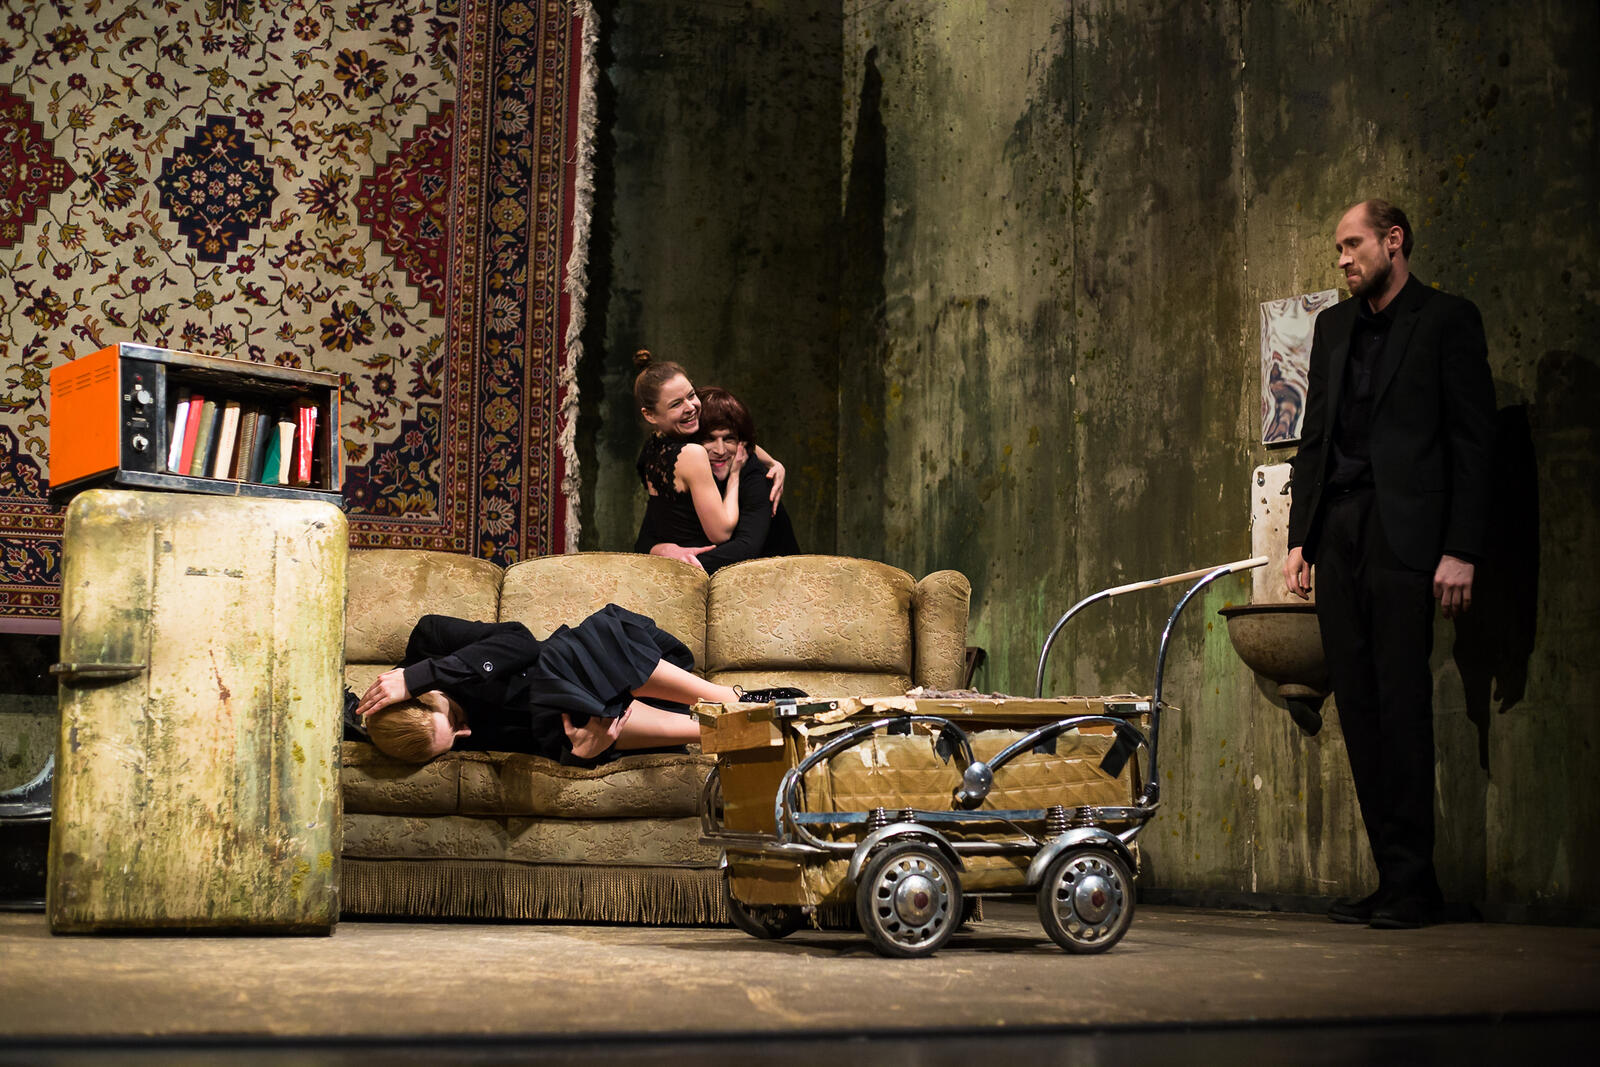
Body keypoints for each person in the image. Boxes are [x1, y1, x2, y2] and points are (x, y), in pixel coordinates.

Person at [1284, 199, 1495, 930]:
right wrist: (1301, 537)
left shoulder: (1446, 320)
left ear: (1394, 241)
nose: (1343, 260)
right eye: (1339, 249)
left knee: (1402, 703)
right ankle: (1395, 877)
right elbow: (1314, 437)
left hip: (1404, 533)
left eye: (1353, 245)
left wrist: (1461, 548)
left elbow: (1473, 442)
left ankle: (1414, 883)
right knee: (1360, 708)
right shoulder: (1333, 327)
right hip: (1339, 528)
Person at [355, 607, 804, 764]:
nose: (466, 734)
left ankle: (731, 701)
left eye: (453, 722)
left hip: (632, 669)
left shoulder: (429, 643)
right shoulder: (437, 736)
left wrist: (425, 674)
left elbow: (519, 642)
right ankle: (727, 729)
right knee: (562, 714)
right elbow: (537, 744)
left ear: (424, 695)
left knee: (560, 658)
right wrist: (582, 752)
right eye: (455, 744)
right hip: (602, 717)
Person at [630, 353, 795, 572]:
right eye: (709, 439)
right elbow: (647, 536)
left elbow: (745, 548)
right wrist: (661, 550)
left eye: (729, 439)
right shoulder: (677, 457)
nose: (720, 450)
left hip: (772, 579)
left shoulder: (752, 472)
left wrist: (773, 464)